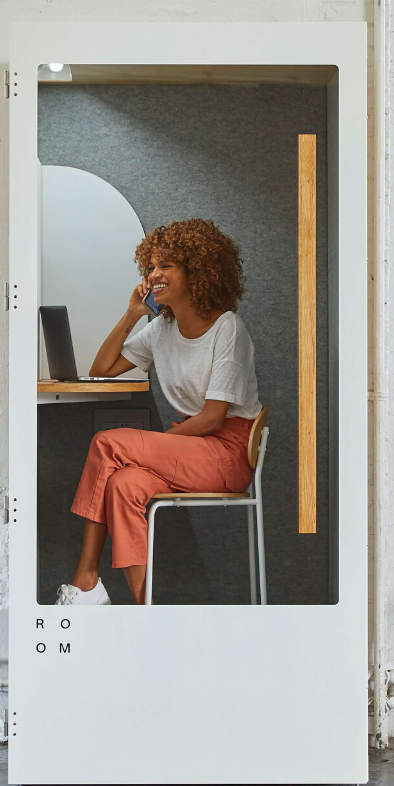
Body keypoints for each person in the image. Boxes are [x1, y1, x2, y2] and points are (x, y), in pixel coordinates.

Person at [55, 218, 262, 606]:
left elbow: (214, 418)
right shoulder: (161, 329)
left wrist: (148, 445)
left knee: (108, 443)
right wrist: (134, 313)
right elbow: (102, 370)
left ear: (196, 271)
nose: (154, 275)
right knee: (123, 485)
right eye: (150, 267)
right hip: (187, 449)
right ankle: (144, 608)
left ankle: (85, 579)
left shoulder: (227, 329)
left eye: (166, 266)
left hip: (226, 453)